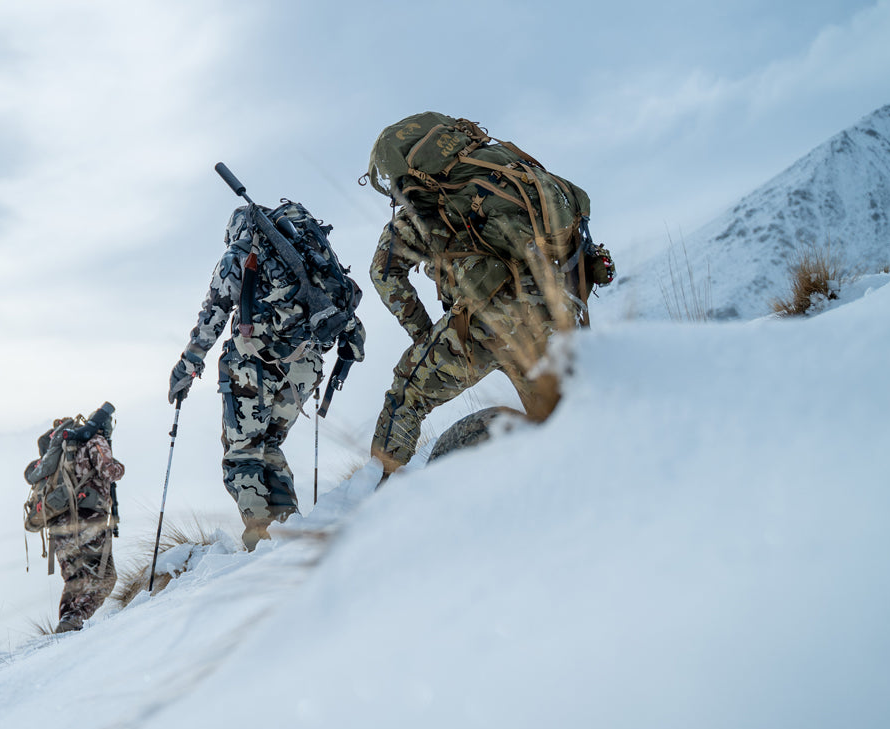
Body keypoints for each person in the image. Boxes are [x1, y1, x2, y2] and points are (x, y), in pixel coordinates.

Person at [364, 113, 613, 474]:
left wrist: (424, 335)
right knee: (563, 420)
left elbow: (383, 273)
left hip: (494, 320)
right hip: (562, 307)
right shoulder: (505, 166)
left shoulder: (422, 210)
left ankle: (375, 501)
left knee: (407, 394)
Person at [169, 200, 365, 551]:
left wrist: (185, 368)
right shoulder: (309, 254)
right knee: (269, 445)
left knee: (243, 453)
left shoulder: (239, 254)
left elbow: (212, 316)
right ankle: (288, 531)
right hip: (304, 367)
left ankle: (261, 543)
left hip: (253, 367)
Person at [23, 403, 123, 633]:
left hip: (57, 523)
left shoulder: (59, 456)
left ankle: (66, 624)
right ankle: (75, 619)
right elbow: (109, 470)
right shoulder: (95, 442)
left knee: (74, 580)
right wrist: (119, 467)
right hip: (88, 520)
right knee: (105, 577)